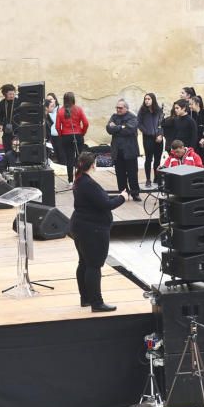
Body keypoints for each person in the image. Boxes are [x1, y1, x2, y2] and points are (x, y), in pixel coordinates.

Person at [69, 151, 126, 312]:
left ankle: (85, 298)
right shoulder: (87, 183)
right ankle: (96, 302)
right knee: (93, 265)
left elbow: (99, 199)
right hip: (92, 229)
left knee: (84, 263)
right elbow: (106, 204)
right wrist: (122, 197)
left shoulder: (80, 180)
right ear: (92, 165)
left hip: (80, 226)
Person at [107, 99, 141, 200]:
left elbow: (129, 130)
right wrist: (121, 127)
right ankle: (123, 194)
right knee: (120, 174)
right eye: (117, 107)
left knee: (132, 173)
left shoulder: (132, 117)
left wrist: (116, 128)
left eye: (120, 108)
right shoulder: (114, 116)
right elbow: (109, 129)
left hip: (130, 150)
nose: (118, 109)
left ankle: (135, 193)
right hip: (117, 151)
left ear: (126, 108)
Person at [56, 92, 89, 183]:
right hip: (78, 135)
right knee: (79, 158)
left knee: (69, 159)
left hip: (66, 136)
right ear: (73, 99)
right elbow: (86, 123)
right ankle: (80, 179)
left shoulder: (60, 111)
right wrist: (82, 133)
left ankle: (70, 181)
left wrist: (61, 135)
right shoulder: (79, 109)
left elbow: (57, 127)